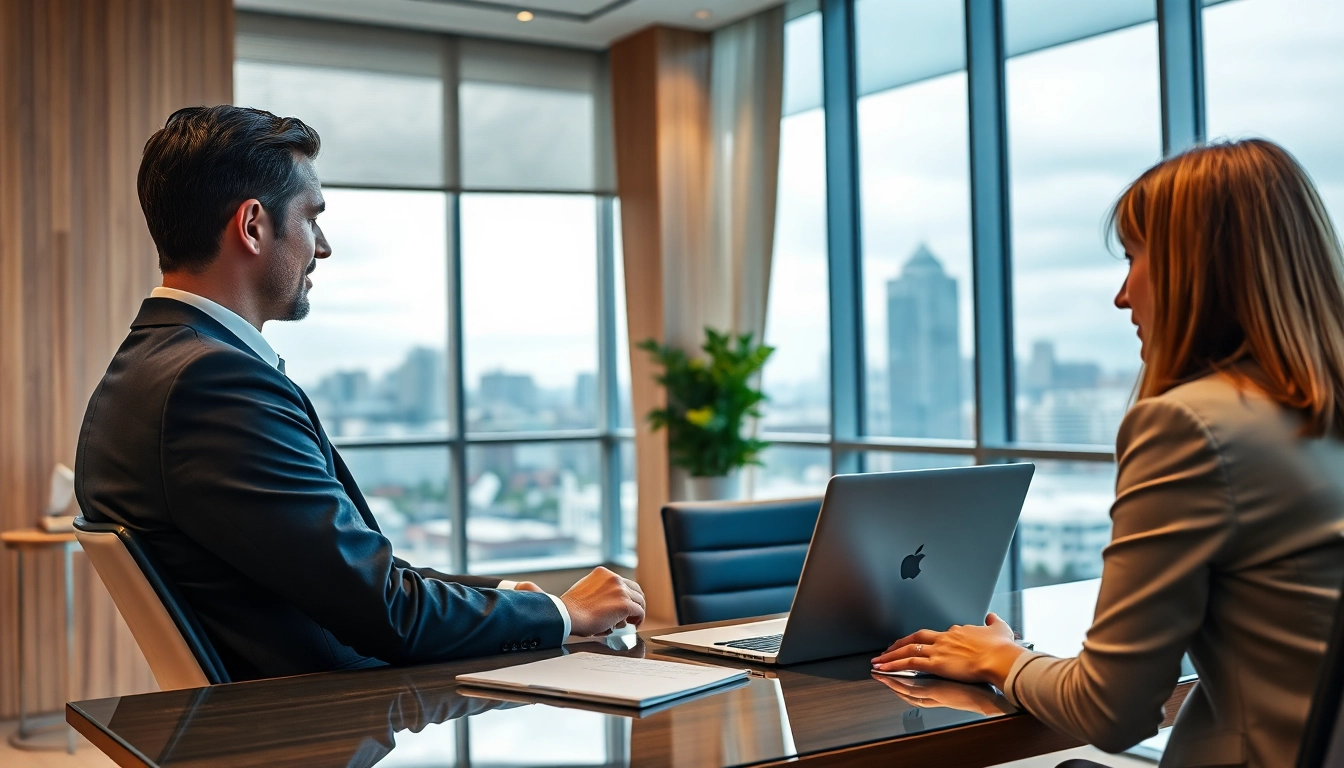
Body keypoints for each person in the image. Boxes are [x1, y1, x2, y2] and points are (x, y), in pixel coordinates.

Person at [75, 105, 645, 682]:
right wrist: (563, 612)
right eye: (311, 218)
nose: (322, 247)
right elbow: (387, 615)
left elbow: (344, 574)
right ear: (252, 225)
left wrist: (505, 598)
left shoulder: (146, 369)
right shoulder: (216, 386)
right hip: (333, 712)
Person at [872, 139, 1344, 767]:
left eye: (1134, 258)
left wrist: (1001, 657)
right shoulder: (1316, 416)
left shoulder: (1190, 425)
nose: (1123, 296)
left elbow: (1113, 710)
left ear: (1196, 268)